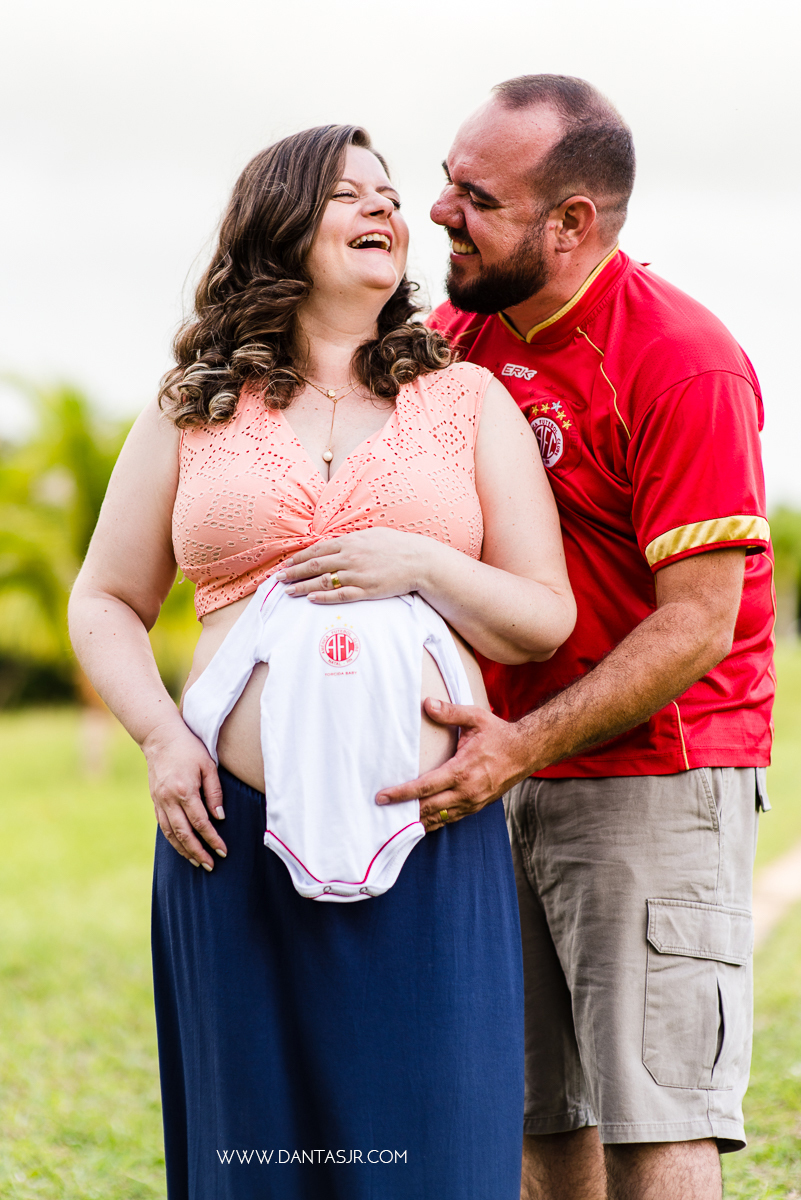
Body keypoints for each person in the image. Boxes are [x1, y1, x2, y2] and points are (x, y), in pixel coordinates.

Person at [68, 124, 576, 1200]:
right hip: (229, 838)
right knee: (260, 1153)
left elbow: (542, 615)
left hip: (429, 826)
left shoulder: (466, 401)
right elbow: (106, 599)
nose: (387, 209)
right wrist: (162, 738)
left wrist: (421, 560)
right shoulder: (191, 405)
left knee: (433, 1148)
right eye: (350, 193)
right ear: (279, 222)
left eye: (392, 195)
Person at [374, 76, 774, 1200]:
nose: (440, 212)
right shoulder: (460, 334)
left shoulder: (681, 360)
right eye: (447, 180)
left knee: (658, 1118)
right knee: (535, 1106)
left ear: (571, 222)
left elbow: (699, 624)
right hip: (496, 764)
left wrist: (521, 741)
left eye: (474, 196)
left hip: (653, 773)